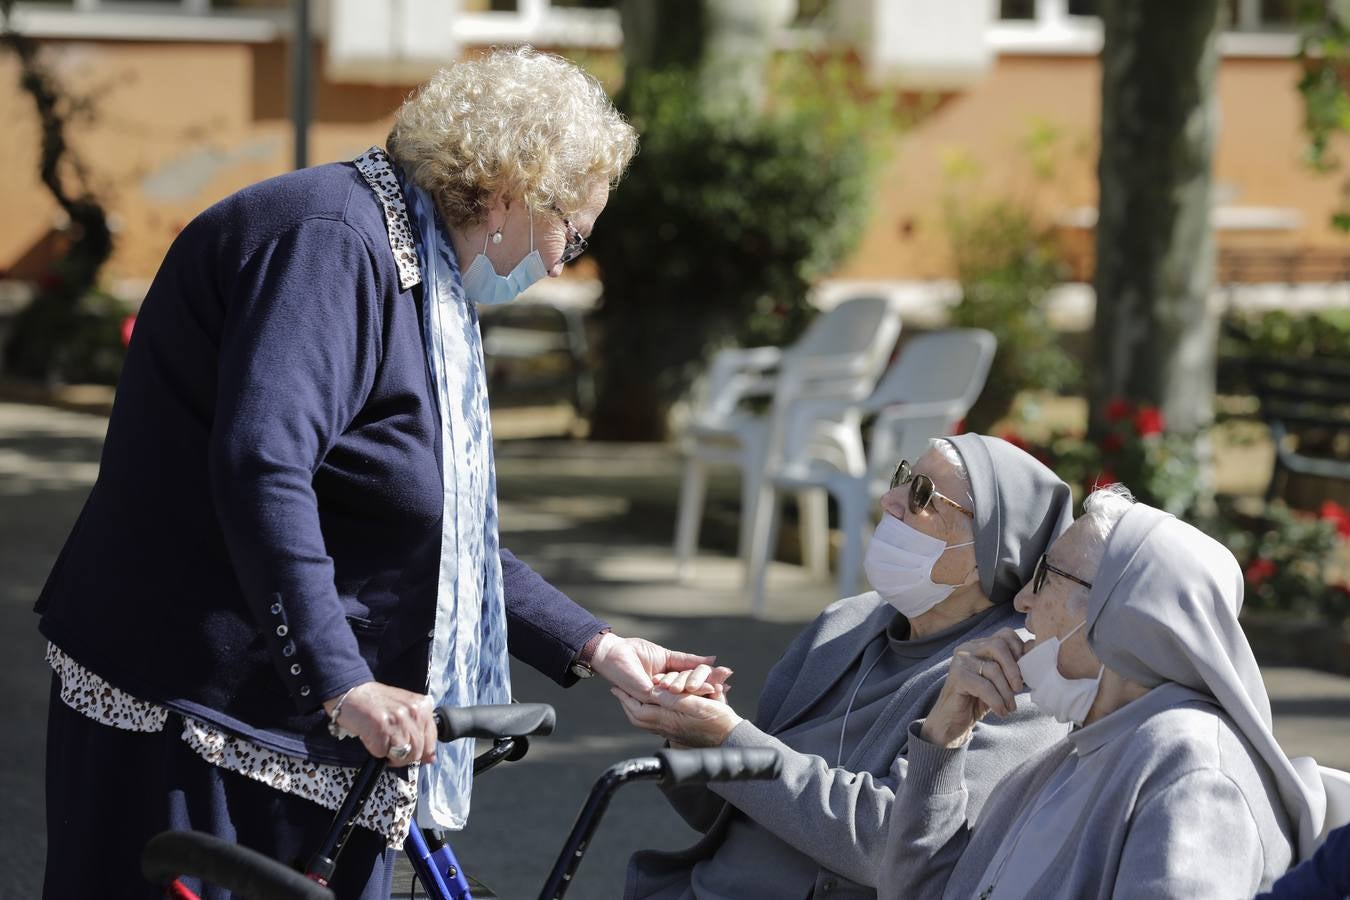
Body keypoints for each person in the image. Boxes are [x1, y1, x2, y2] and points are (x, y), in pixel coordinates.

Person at [37, 47, 725, 899]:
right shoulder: (330, 240)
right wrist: (343, 682)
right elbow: (265, 465)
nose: (563, 264)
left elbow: (433, 526)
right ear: (513, 190)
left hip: (281, 714)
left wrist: (599, 646)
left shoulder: (415, 267)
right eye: (572, 233)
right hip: (194, 707)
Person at [614, 435, 1074, 900]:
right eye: (903, 479)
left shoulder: (1013, 677)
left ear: (992, 552)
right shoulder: (844, 624)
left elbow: (892, 852)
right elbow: (726, 807)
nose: (889, 500)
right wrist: (691, 731)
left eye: (922, 497)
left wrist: (728, 737)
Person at [882, 487, 1328, 899]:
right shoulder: (1067, 757)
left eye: (1045, 577)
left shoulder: (1192, 770)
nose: (1021, 601)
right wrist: (943, 740)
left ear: (1118, 605)